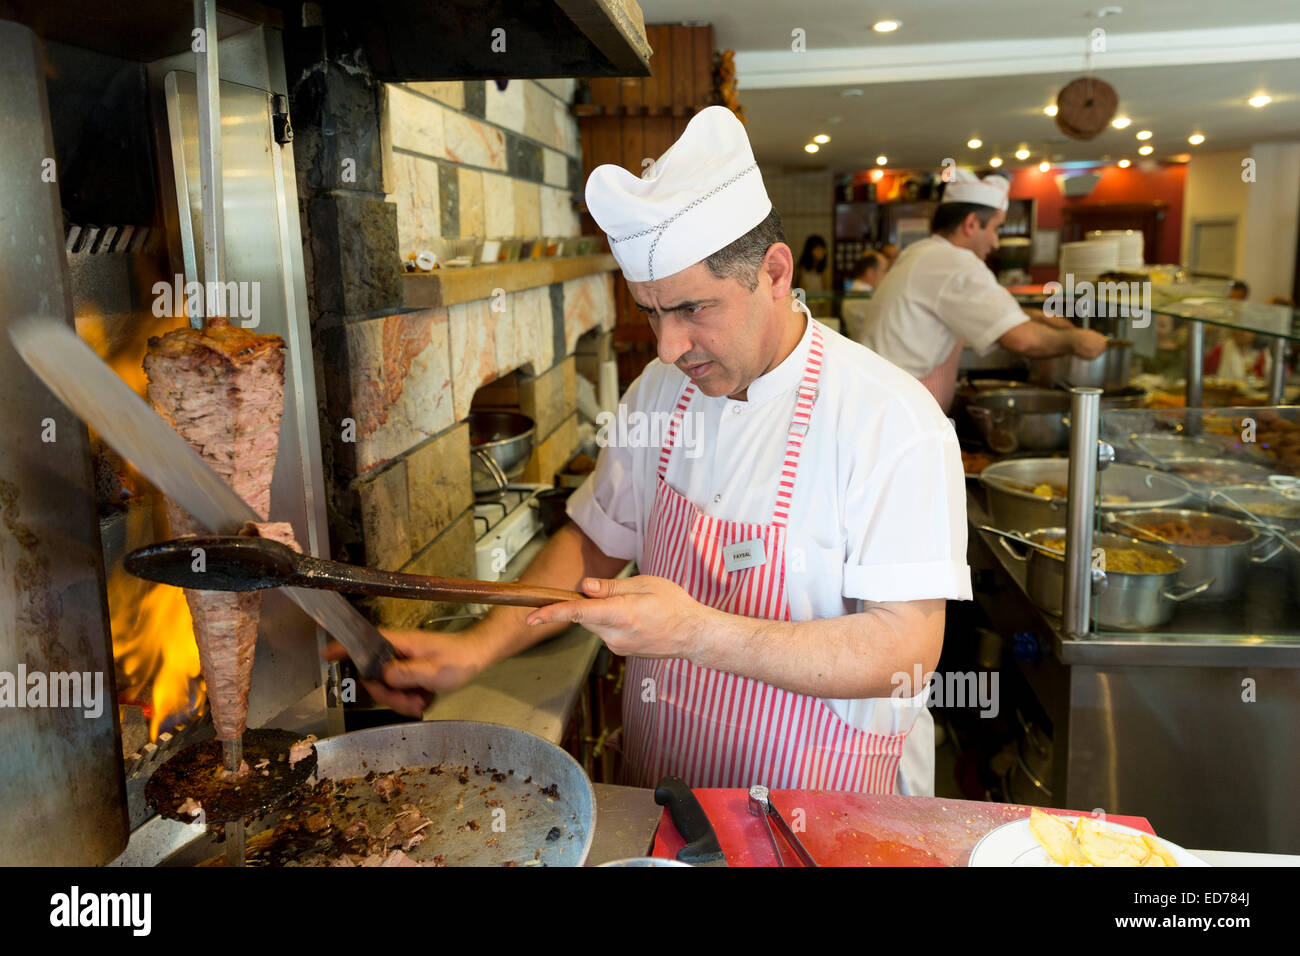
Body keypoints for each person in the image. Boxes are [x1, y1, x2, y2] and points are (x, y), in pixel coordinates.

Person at [328, 106, 971, 796]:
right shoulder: (660, 393)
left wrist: (697, 633)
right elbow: (597, 538)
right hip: (665, 799)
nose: (668, 347)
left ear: (775, 274)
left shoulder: (892, 421)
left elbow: (905, 649)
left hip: (823, 810)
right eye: (651, 312)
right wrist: (478, 648)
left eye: (694, 309)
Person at [855, 169, 1106, 412]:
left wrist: (1030, 315)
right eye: (996, 228)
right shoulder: (956, 262)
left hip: (881, 401)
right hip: (894, 409)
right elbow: (1023, 341)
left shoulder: (922, 251)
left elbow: (968, 306)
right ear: (971, 224)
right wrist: (1078, 340)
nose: (996, 243)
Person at [841, 252, 886, 341]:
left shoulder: (858, 291)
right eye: (884, 271)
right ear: (870, 273)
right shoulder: (863, 296)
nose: (887, 275)